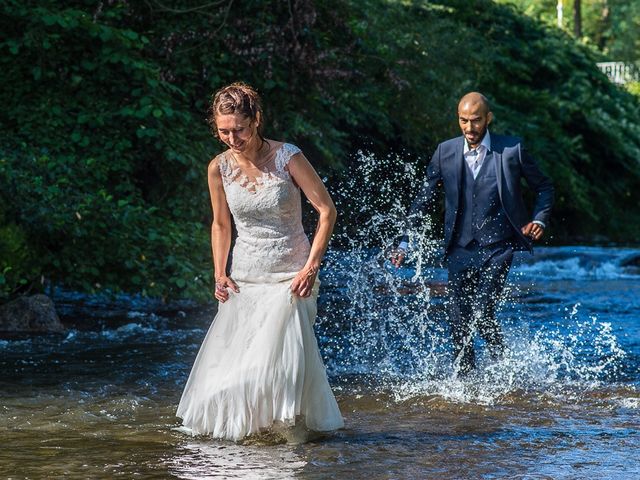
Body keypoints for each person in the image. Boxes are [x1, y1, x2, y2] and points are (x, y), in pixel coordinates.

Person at [176, 82, 343, 441]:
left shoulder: (288, 157)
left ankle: (290, 438)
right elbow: (221, 224)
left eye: (239, 129)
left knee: (279, 364)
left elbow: (326, 210)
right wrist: (219, 271)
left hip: (292, 276)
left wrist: (311, 268)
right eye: (224, 131)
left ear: (256, 120)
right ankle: (254, 441)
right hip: (245, 276)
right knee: (237, 368)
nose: (232, 138)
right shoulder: (217, 168)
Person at [392, 92, 554, 375]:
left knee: (480, 312)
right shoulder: (445, 152)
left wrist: (539, 220)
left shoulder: (511, 150)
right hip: (459, 248)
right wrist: (405, 241)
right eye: (463, 121)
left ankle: (503, 370)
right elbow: (423, 200)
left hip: (498, 246)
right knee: (458, 319)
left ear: (488, 118)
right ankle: (465, 384)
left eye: (476, 121)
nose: (469, 128)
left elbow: (544, 187)